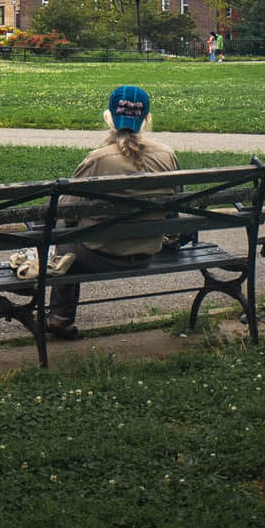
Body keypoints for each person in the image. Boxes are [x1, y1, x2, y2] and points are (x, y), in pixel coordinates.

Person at [45, 85, 179, 340]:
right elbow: (175, 205)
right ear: (146, 119)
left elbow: (66, 211)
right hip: (148, 251)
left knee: (65, 238)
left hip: (100, 254)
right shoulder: (167, 155)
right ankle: (59, 317)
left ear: (109, 118)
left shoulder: (98, 159)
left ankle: (60, 317)